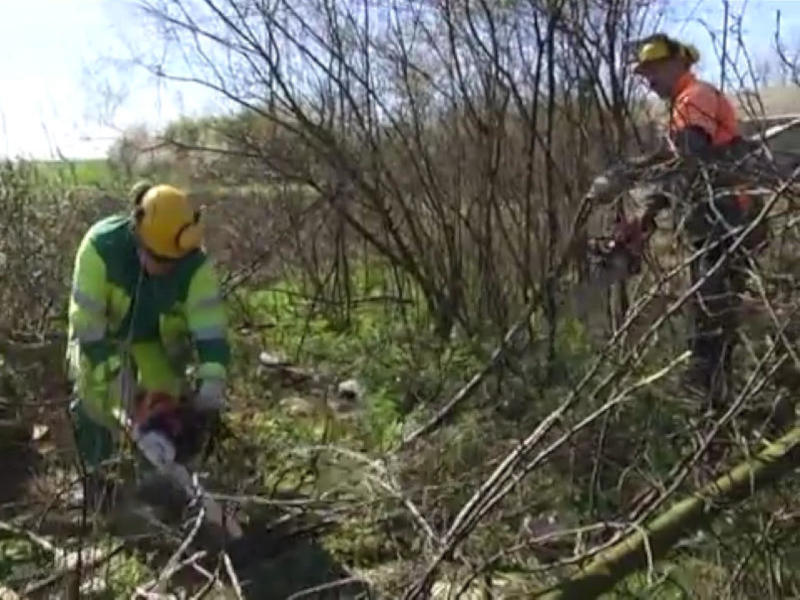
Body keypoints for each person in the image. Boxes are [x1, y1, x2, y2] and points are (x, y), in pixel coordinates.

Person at [587, 33, 763, 406]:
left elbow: (687, 158)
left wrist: (632, 173)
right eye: (643, 73)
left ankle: (706, 404)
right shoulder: (683, 105)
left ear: (677, 65)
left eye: (653, 70)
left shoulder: (696, 98)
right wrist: (643, 221)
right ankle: (716, 399)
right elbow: (681, 170)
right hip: (711, 221)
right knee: (712, 311)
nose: (648, 80)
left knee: (710, 312)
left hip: (726, 217)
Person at [66, 180, 230, 501]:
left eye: (174, 261)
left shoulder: (195, 266)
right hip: (101, 340)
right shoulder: (101, 248)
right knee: (94, 397)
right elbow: (87, 331)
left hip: (153, 341)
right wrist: (123, 390)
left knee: (165, 399)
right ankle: (96, 477)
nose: (166, 267)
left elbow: (210, 332)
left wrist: (210, 387)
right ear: (138, 236)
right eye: (159, 259)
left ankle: (156, 483)